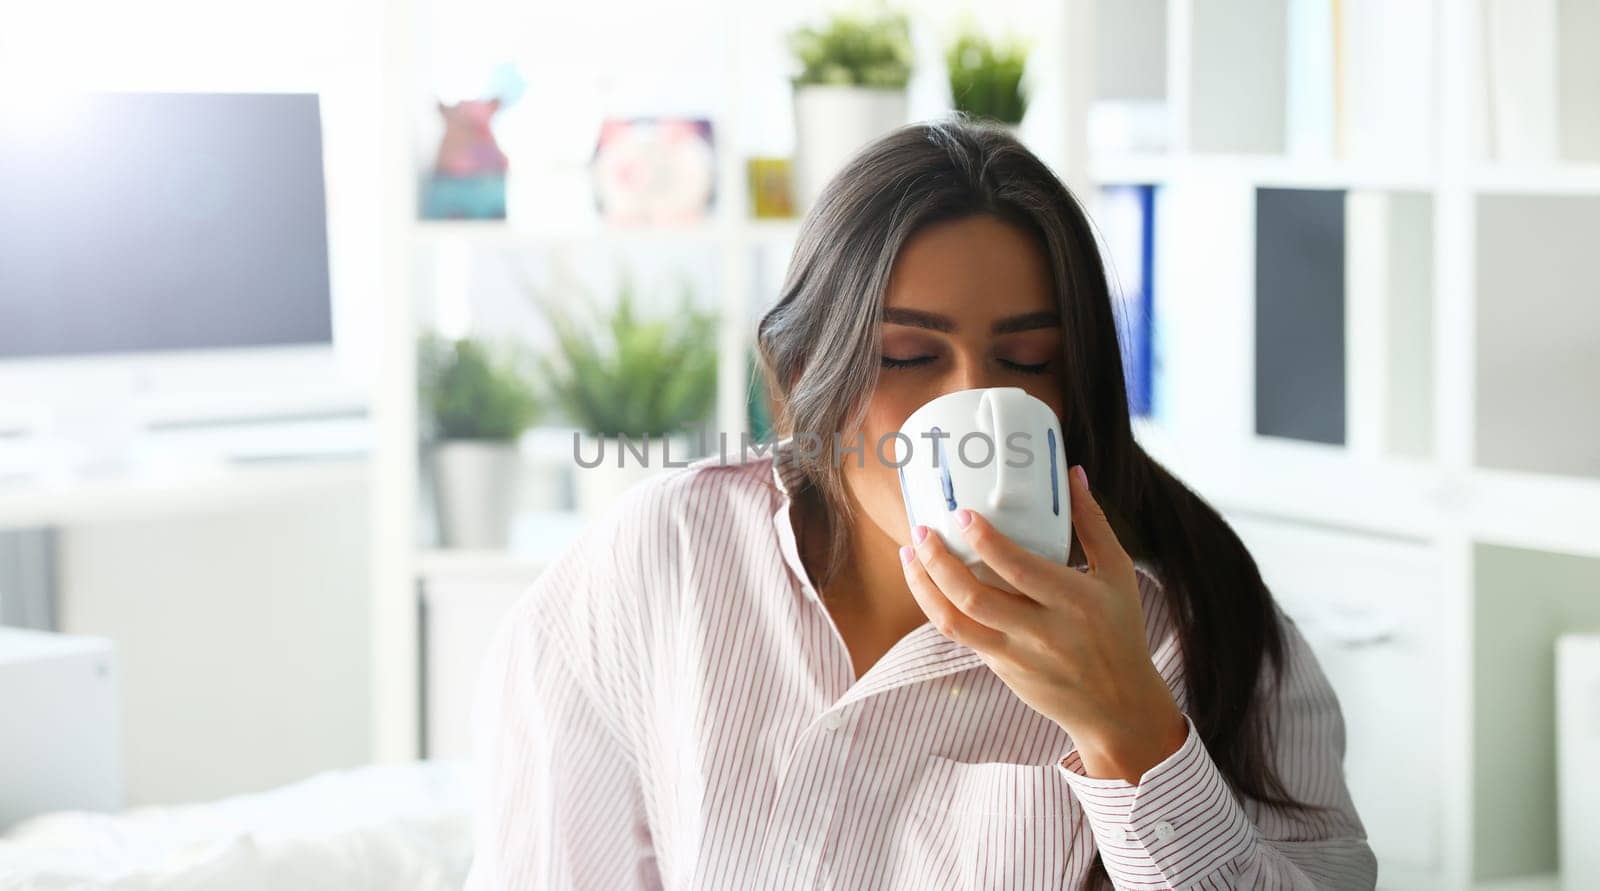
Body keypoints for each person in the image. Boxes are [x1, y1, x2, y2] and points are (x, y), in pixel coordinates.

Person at [465, 117, 1377, 890]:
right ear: (795, 383)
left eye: (1027, 364)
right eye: (908, 355)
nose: (970, 405)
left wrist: (1131, 732)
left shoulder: (1204, 627)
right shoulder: (663, 566)